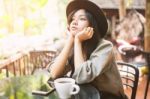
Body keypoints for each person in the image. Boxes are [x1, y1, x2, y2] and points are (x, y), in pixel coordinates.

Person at [48, 0, 127, 99]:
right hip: (84, 94)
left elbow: (82, 77)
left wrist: (77, 40)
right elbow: (54, 74)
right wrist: (71, 39)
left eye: (81, 19)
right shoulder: (75, 45)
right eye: (72, 19)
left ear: (91, 25)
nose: (74, 22)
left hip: (107, 96)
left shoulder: (105, 47)